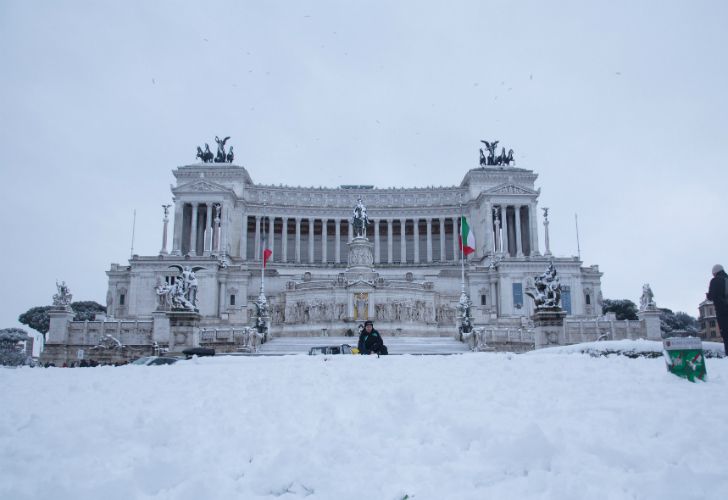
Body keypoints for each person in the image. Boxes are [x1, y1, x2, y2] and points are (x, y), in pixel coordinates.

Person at [707, 264, 728, 354]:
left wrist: (708, 295)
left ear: (715, 273)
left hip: (723, 311)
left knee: (726, 333)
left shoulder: (715, 281)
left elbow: (712, 296)